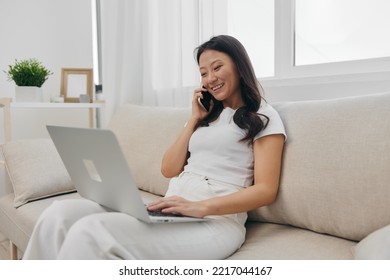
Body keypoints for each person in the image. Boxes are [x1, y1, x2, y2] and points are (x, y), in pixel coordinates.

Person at [23, 35, 286, 260]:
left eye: (217, 67)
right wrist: (194, 119)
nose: (210, 79)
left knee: (91, 231)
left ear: (239, 67)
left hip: (215, 222)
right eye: (203, 73)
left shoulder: (262, 116)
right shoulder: (206, 117)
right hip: (169, 208)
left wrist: (202, 207)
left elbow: (265, 190)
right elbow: (169, 169)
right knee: (58, 214)